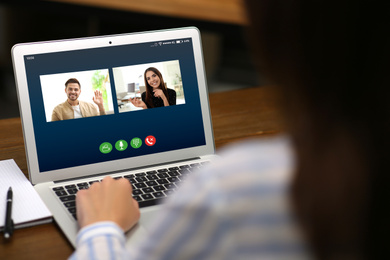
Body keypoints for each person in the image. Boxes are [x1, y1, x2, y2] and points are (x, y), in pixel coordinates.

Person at [70, 0, 389, 259]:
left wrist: (101, 227)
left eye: (156, 78)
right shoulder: (142, 97)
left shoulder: (232, 189)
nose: (152, 81)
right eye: (149, 78)